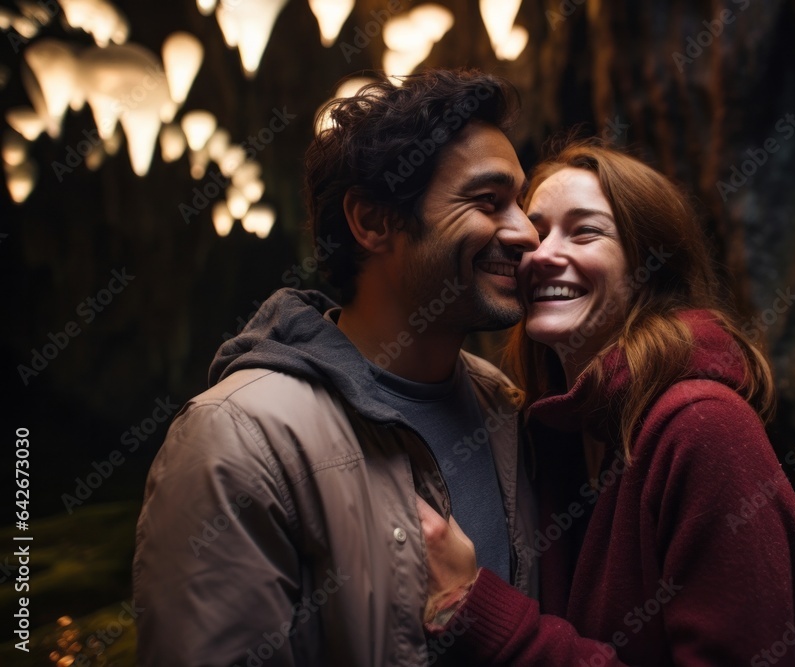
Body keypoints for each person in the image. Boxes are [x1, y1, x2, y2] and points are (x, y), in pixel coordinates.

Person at [132, 69, 541, 666]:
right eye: (487, 202)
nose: (528, 233)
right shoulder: (238, 440)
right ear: (373, 222)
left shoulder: (505, 406)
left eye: (521, 203)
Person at [418, 140, 795, 666]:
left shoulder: (706, 430)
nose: (543, 255)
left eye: (585, 232)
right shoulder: (552, 437)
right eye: (536, 234)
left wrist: (483, 613)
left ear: (649, 269)